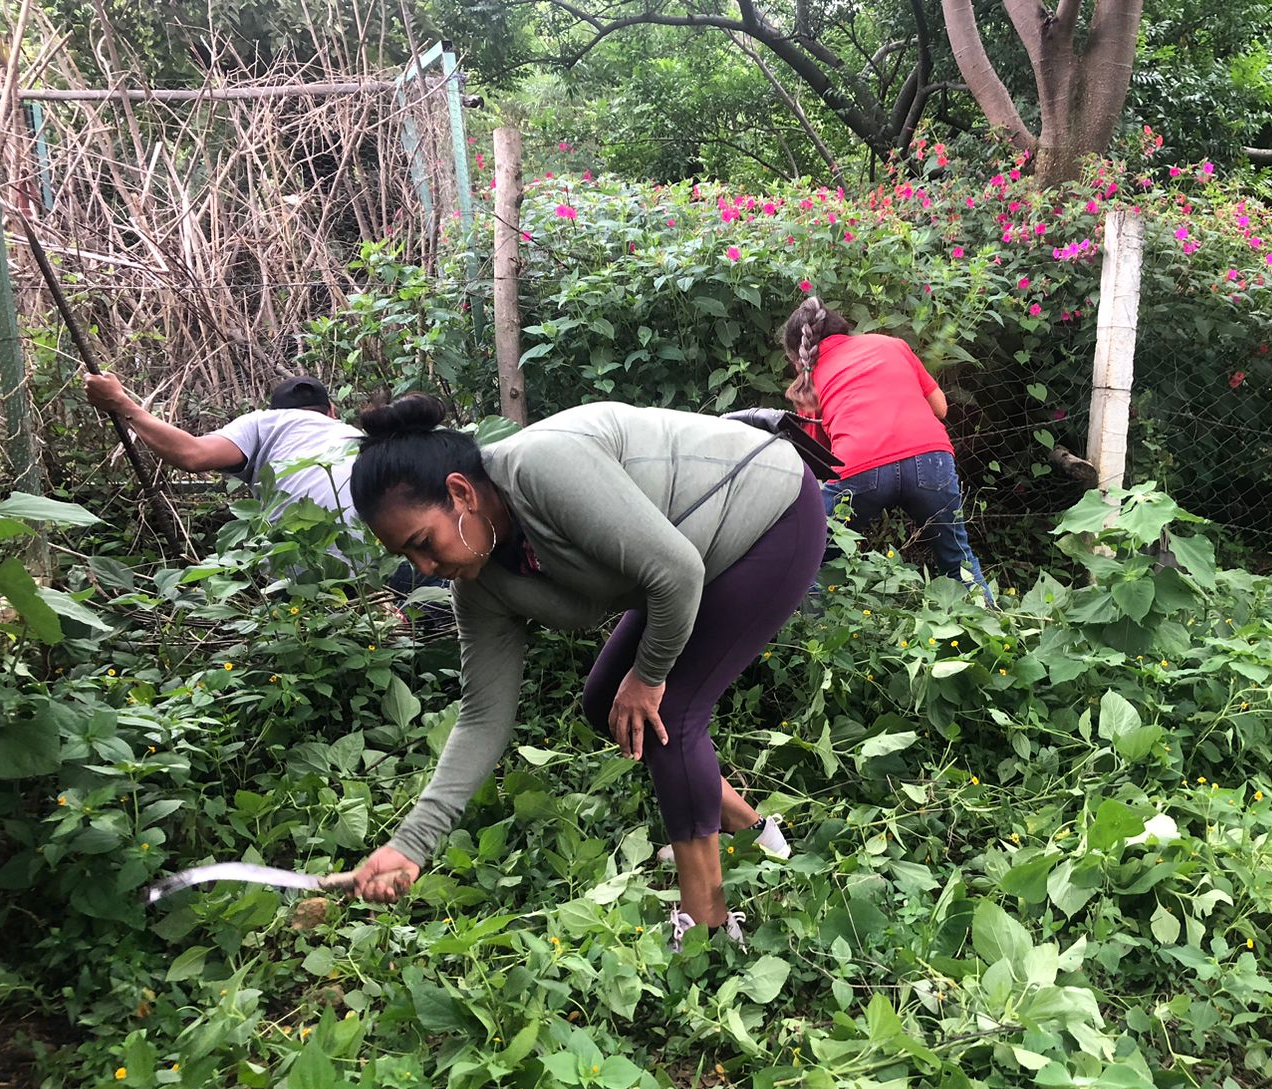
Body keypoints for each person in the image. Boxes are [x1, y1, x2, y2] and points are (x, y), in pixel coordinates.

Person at [346, 395, 823, 948]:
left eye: (423, 543)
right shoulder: (478, 582)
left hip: (769, 511)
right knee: (607, 706)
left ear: (460, 493)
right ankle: (753, 830)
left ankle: (709, 929)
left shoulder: (544, 467)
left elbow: (674, 573)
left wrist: (647, 677)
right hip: (687, 557)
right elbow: (482, 718)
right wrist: (412, 844)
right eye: (411, 559)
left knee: (666, 710)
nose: (426, 568)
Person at [779, 296, 994, 602]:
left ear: (799, 356)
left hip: (860, 466)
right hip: (931, 458)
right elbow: (941, 408)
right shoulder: (890, 344)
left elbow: (817, 461)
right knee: (958, 560)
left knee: (806, 559)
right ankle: (994, 633)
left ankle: (813, 636)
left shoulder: (809, 380)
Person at [83, 373, 359, 524]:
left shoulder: (266, 422)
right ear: (332, 411)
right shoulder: (356, 436)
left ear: (274, 410)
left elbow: (194, 455)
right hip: (379, 562)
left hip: (304, 568)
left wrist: (122, 404)